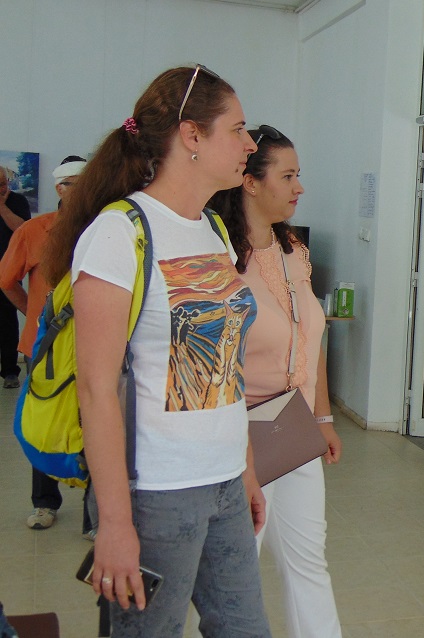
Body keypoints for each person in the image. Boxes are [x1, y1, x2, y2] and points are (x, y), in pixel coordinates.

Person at [43, 65, 271, 636]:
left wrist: (244, 468)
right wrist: (115, 523)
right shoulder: (119, 234)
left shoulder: (214, 229)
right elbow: (96, 390)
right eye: (237, 129)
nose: (250, 144)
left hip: (224, 482)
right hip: (156, 494)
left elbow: (227, 367)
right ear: (191, 136)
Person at [209, 125, 343, 638]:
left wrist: (323, 417)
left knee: (309, 560)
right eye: (287, 176)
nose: (298, 187)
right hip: (240, 435)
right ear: (250, 182)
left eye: (297, 175)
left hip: (293, 427)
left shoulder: (293, 251)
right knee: (235, 571)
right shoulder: (218, 256)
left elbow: (312, 339)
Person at [0, 156, 94, 534]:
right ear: (60, 188)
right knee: (45, 420)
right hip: (46, 348)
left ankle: (95, 514)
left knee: (95, 424)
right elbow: (6, 281)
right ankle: (44, 503)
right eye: (77, 185)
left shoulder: (107, 229)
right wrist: (35, 316)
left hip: (94, 346)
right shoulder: (34, 230)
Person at [0, 165, 31, 390]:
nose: (0, 188)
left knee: (8, 322)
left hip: (8, 271)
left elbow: (23, 230)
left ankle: (10, 371)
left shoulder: (18, 201)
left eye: (2, 184)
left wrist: (1, 207)